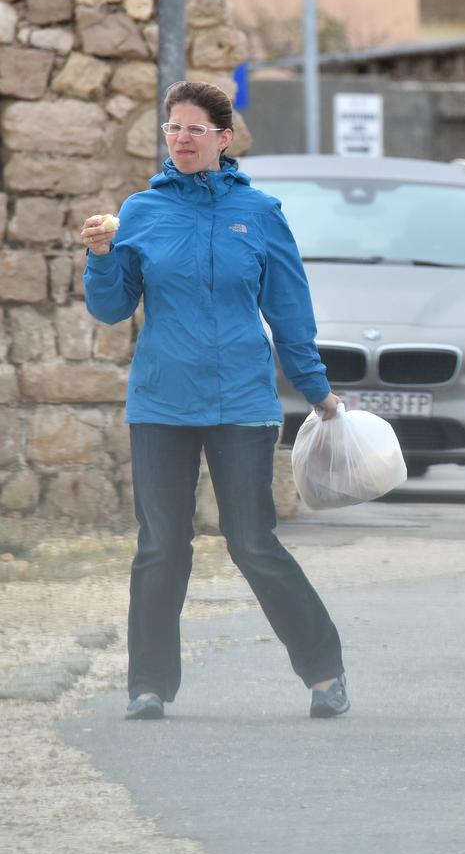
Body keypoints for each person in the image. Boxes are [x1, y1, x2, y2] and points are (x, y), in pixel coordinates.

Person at [81, 80, 350, 720]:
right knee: (161, 545)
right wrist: (100, 258)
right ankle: (148, 687)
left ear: (224, 139)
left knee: (251, 541)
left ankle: (324, 671)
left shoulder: (259, 213)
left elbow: (289, 310)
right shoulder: (140, 211)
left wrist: (317, 391)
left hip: (243, 405)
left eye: (195, 129)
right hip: (161, 405)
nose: (181, 139)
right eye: (172, 128)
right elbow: (112, 308)